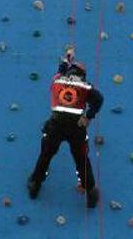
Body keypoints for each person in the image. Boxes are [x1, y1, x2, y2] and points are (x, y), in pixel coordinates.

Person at [27, 47, 104, 207]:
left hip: (55, 125)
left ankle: (35, 184)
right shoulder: (85, 86)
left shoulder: (57, 80)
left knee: (46, 155)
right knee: (81, 159)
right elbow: (99, 99)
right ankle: (90, 190)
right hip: (76, 127)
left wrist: (67, 58)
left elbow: (60, 70)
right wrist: (88, 116)